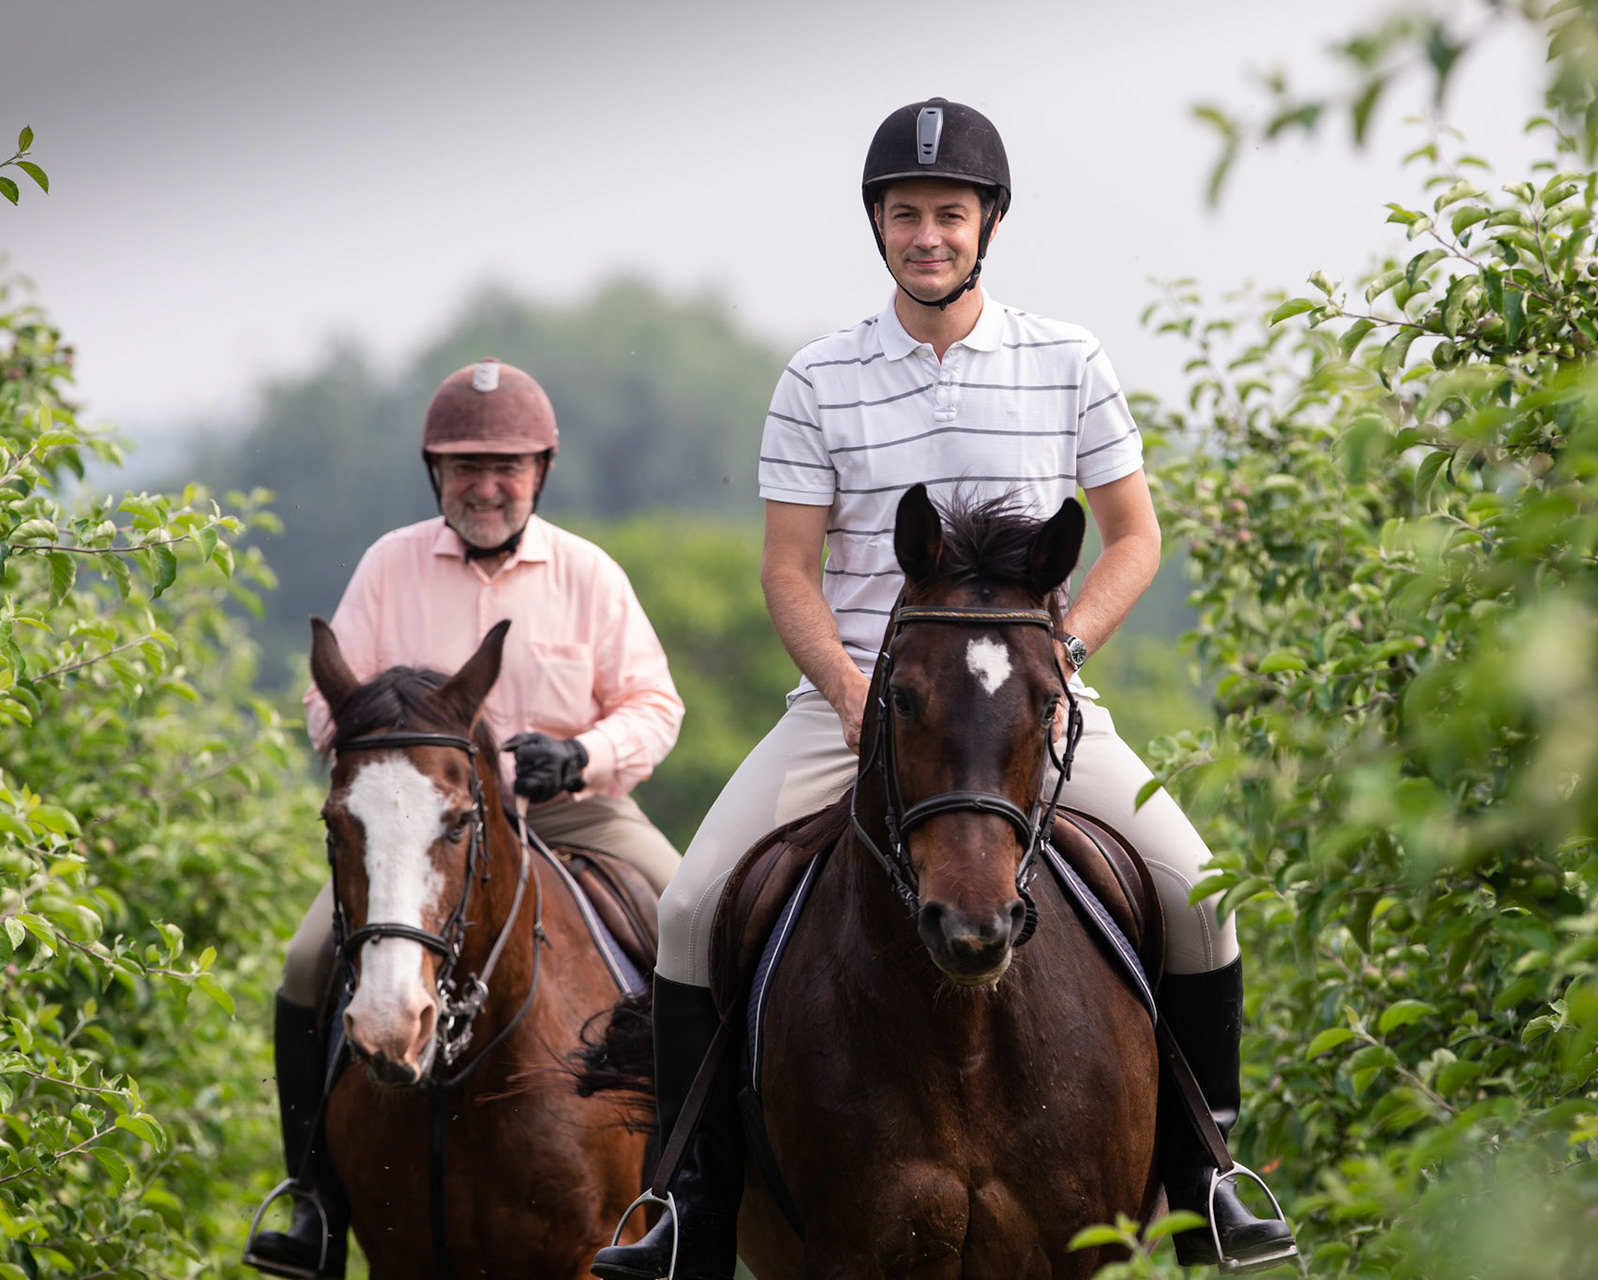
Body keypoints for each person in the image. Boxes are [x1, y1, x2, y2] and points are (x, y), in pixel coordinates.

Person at [591, 99, 1295, 1280]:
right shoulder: (819, 378)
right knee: (687, 906)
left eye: (948, 214)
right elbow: (788, 569)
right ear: (880, 228)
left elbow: (1133, 538)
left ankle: (1211, 1173)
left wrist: (1061, 660)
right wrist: (857, 690)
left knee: (1198, 891)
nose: (928, 234)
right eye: (906, 214)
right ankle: (688, 1210)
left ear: (990, 224)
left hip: (1029, 708)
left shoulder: (1067, 359)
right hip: (860, 707)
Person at [246, 359, 686, 1279]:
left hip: (575, 818)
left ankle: (698, 1194)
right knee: (304, 961)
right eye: (464, 467)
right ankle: (313, 1202)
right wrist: (387, 731)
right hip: (423, 835)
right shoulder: (389, 566)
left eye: (508, 467)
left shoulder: (587, 574)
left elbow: (653, 703)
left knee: (697, 929)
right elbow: (327, 712)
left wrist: (584, 756)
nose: (486, 485)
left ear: (541, 472)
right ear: (434, 473)